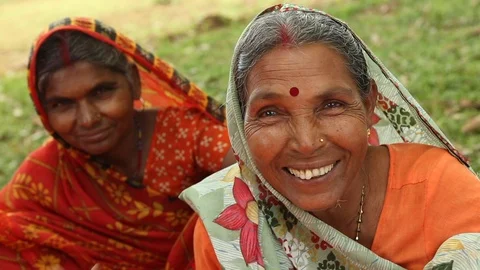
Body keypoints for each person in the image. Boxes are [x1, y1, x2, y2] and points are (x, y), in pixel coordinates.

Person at [180, 4, 480, 269]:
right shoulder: (226, 226)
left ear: (368, 104)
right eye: (271, 113)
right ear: (239, 122)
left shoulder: (440, 192)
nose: (307, 143)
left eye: (331, 105)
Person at [0, 17, 235, 269]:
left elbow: (255, 172)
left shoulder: (184, 134)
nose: (88, 119)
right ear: (43, 110)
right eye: (62, 104)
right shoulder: (45, 176)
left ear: (133, 82)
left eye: (101, 92)